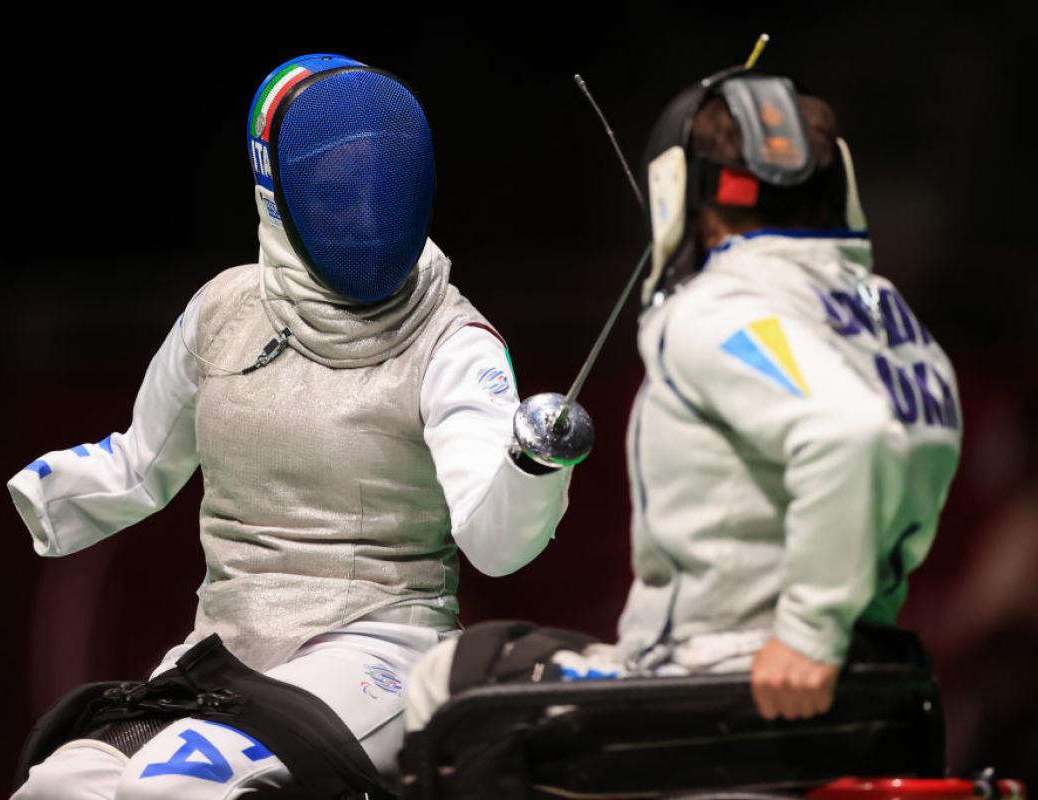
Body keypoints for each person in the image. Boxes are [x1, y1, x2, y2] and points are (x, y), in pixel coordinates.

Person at [8, 53, 588, 799]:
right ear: (276, 194)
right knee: (61, 788)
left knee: (171, 788)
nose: (370, 216)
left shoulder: (452, 340)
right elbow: (138, 461)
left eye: (386, 191)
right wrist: (45, 493)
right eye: (338, 194)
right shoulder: (224, 311)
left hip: (380, 649)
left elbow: (496, 542)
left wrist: (533, 466)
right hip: (224, 649)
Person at [404, 66, 962, 731]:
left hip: (718, 677)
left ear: (681, 190)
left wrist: (808, 633)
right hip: (874, 665)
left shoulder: (717, 310)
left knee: (451, 679)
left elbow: (852, 432)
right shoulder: (884, 312)